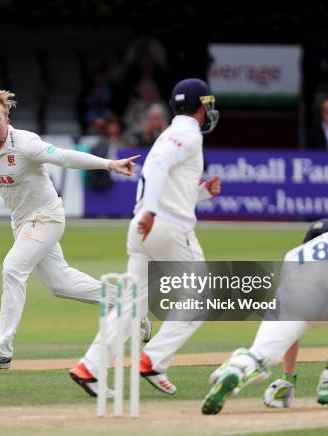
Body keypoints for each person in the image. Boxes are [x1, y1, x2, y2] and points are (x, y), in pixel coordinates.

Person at [0, 89, 139, 370]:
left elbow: (64, 157)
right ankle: (129, 301)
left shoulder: (25, 143)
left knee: (12, 268)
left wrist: (108, 164)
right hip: (23, 222)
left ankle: (1, 349)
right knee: (60, 283)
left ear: (6, 120)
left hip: (46, 217)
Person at [69, 78, 221, 397]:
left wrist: (202, 193)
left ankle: (89, 367)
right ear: (199, 106)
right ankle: (153, 359)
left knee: (132, 307)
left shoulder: (172, 133)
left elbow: (166, 184)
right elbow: (158, 168)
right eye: (207, 104)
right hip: (164, 226)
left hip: (143, 227)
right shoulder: (186, 133)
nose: (210, 111)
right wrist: (152, 212)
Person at [202, 219, 328, 414]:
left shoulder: (292, 255)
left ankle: (236, 370)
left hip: (289, 302)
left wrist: (288, 376)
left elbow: (292, 336)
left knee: (260, 354)